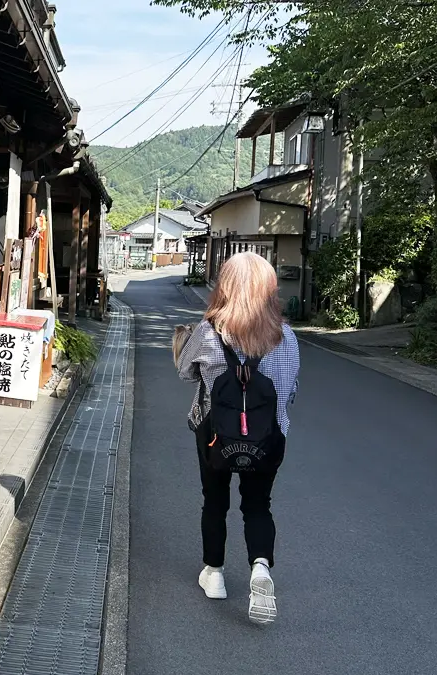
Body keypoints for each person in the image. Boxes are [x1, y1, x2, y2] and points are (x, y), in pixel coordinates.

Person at [176, 252, 300, 625]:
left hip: (216, 435)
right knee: (258, 504)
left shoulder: (208, 331)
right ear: (268, 290)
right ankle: (260, 568)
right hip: (268, 437)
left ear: (224, 287)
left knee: (214, 501)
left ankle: (214, 574)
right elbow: (291, 390)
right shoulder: (286, 335)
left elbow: (186, 374)